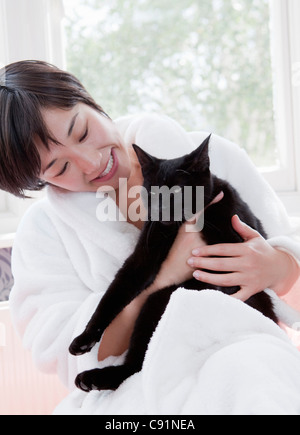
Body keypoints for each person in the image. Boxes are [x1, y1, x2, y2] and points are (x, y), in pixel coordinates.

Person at [2, 60, 300, 414]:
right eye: (59, 168)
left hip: (244, 355)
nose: (90, 163)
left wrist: (277, 266)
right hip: (136, 383)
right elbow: (74, 353)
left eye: (82, 132)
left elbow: (289, 277)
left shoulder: (212, 157)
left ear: (87, 99)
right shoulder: (44, 232)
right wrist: (166, 274)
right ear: (40, 181)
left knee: (255, 378)